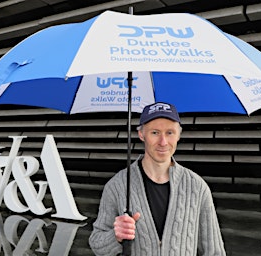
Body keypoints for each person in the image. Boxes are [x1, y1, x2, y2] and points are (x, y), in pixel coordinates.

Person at [89, 102, 226, 255]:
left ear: (178, 135)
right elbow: (96, 244)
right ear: (141, 134)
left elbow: (214, 252)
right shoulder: (117, 186)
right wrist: (115, 236)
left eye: (170, 133)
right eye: (155, 133)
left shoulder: (197, 187)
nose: (163, 142)